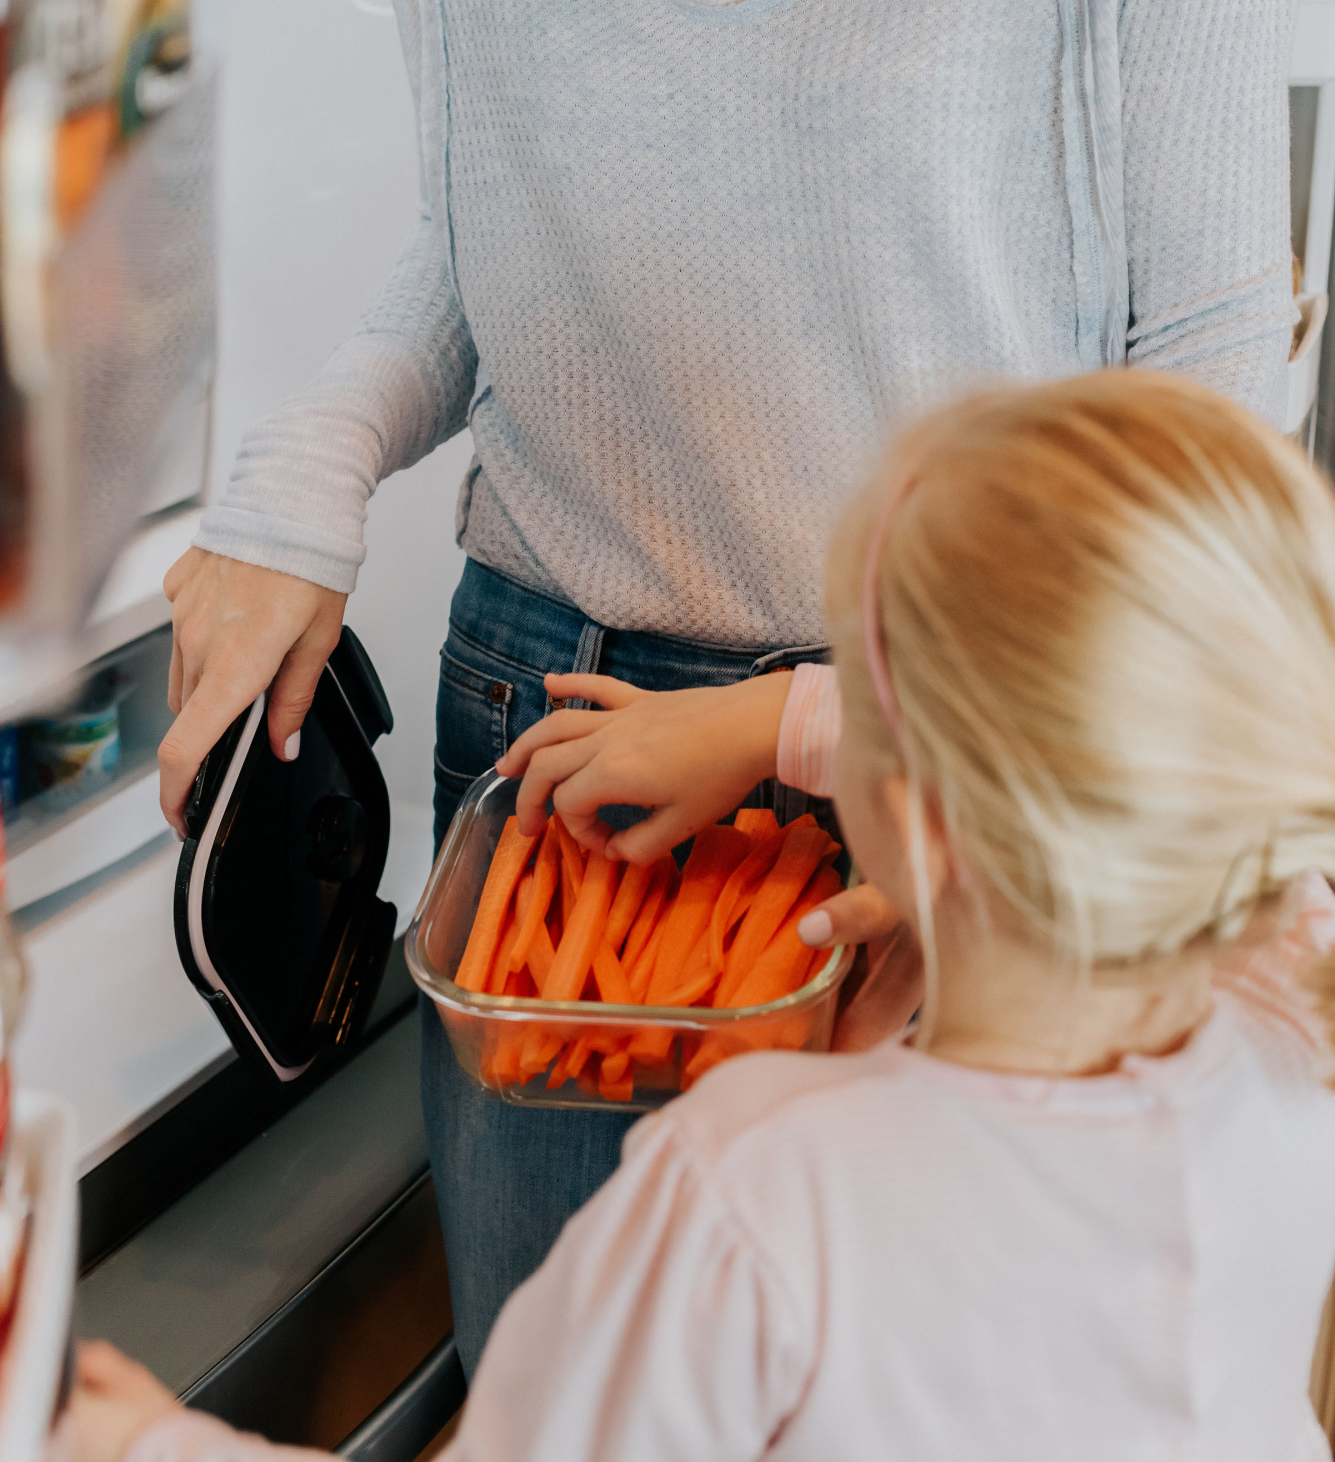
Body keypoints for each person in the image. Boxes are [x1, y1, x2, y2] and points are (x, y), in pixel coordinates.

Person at [156, 0, 1298, 1372]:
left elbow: (1208, 370)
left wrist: (836, 723)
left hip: (976, 769)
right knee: (565, 1374)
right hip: (567, 746)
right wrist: (294, 491)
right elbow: (476, 249)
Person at [73, 372, 1335, 1458]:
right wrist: (778, 723)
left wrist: (155, 1439)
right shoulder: (1292, 1025)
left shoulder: (756, 1189)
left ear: (927, 821)